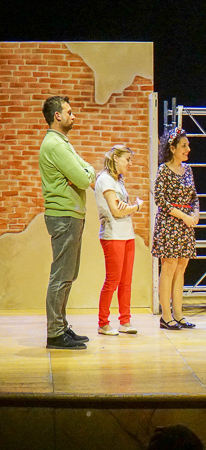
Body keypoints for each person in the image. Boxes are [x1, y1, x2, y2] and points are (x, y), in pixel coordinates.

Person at [39, 96, 96, 350]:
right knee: (61, 276)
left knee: (68, 275)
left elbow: (88, 170)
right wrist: (82, 176)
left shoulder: (63, 142)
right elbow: (84, 180)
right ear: (57, 116)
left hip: (71, 215)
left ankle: (61, 326)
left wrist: (84, 174)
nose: (74, 116)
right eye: (69, 112)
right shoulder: (55, 145)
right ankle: (55, 333)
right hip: (64, 215)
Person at [151, 127, 199, 330]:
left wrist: (195, 213)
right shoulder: (163, 170)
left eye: (188, 145)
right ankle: (166, 316)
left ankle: (178, 314)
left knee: (181, 267)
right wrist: (184, 216)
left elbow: (194, 196)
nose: (188, 149)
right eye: (183, 146)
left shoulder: (188, 169)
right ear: (172, 148)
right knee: (169, 267)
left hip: (185, 224)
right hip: (170, 223)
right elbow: (160, 200)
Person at [95, 145, 143, 336]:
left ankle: (125, 321)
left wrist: (128, 207)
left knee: (126, 281)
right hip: (113, 235)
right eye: (127, 159)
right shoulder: (106, 179)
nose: (129, 163)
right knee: (112, 280)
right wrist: (136, 207)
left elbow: (123, 207)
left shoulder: (118, 181)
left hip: (127, 234)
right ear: (115, 158)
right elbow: (116, 211)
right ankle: (103, 323)